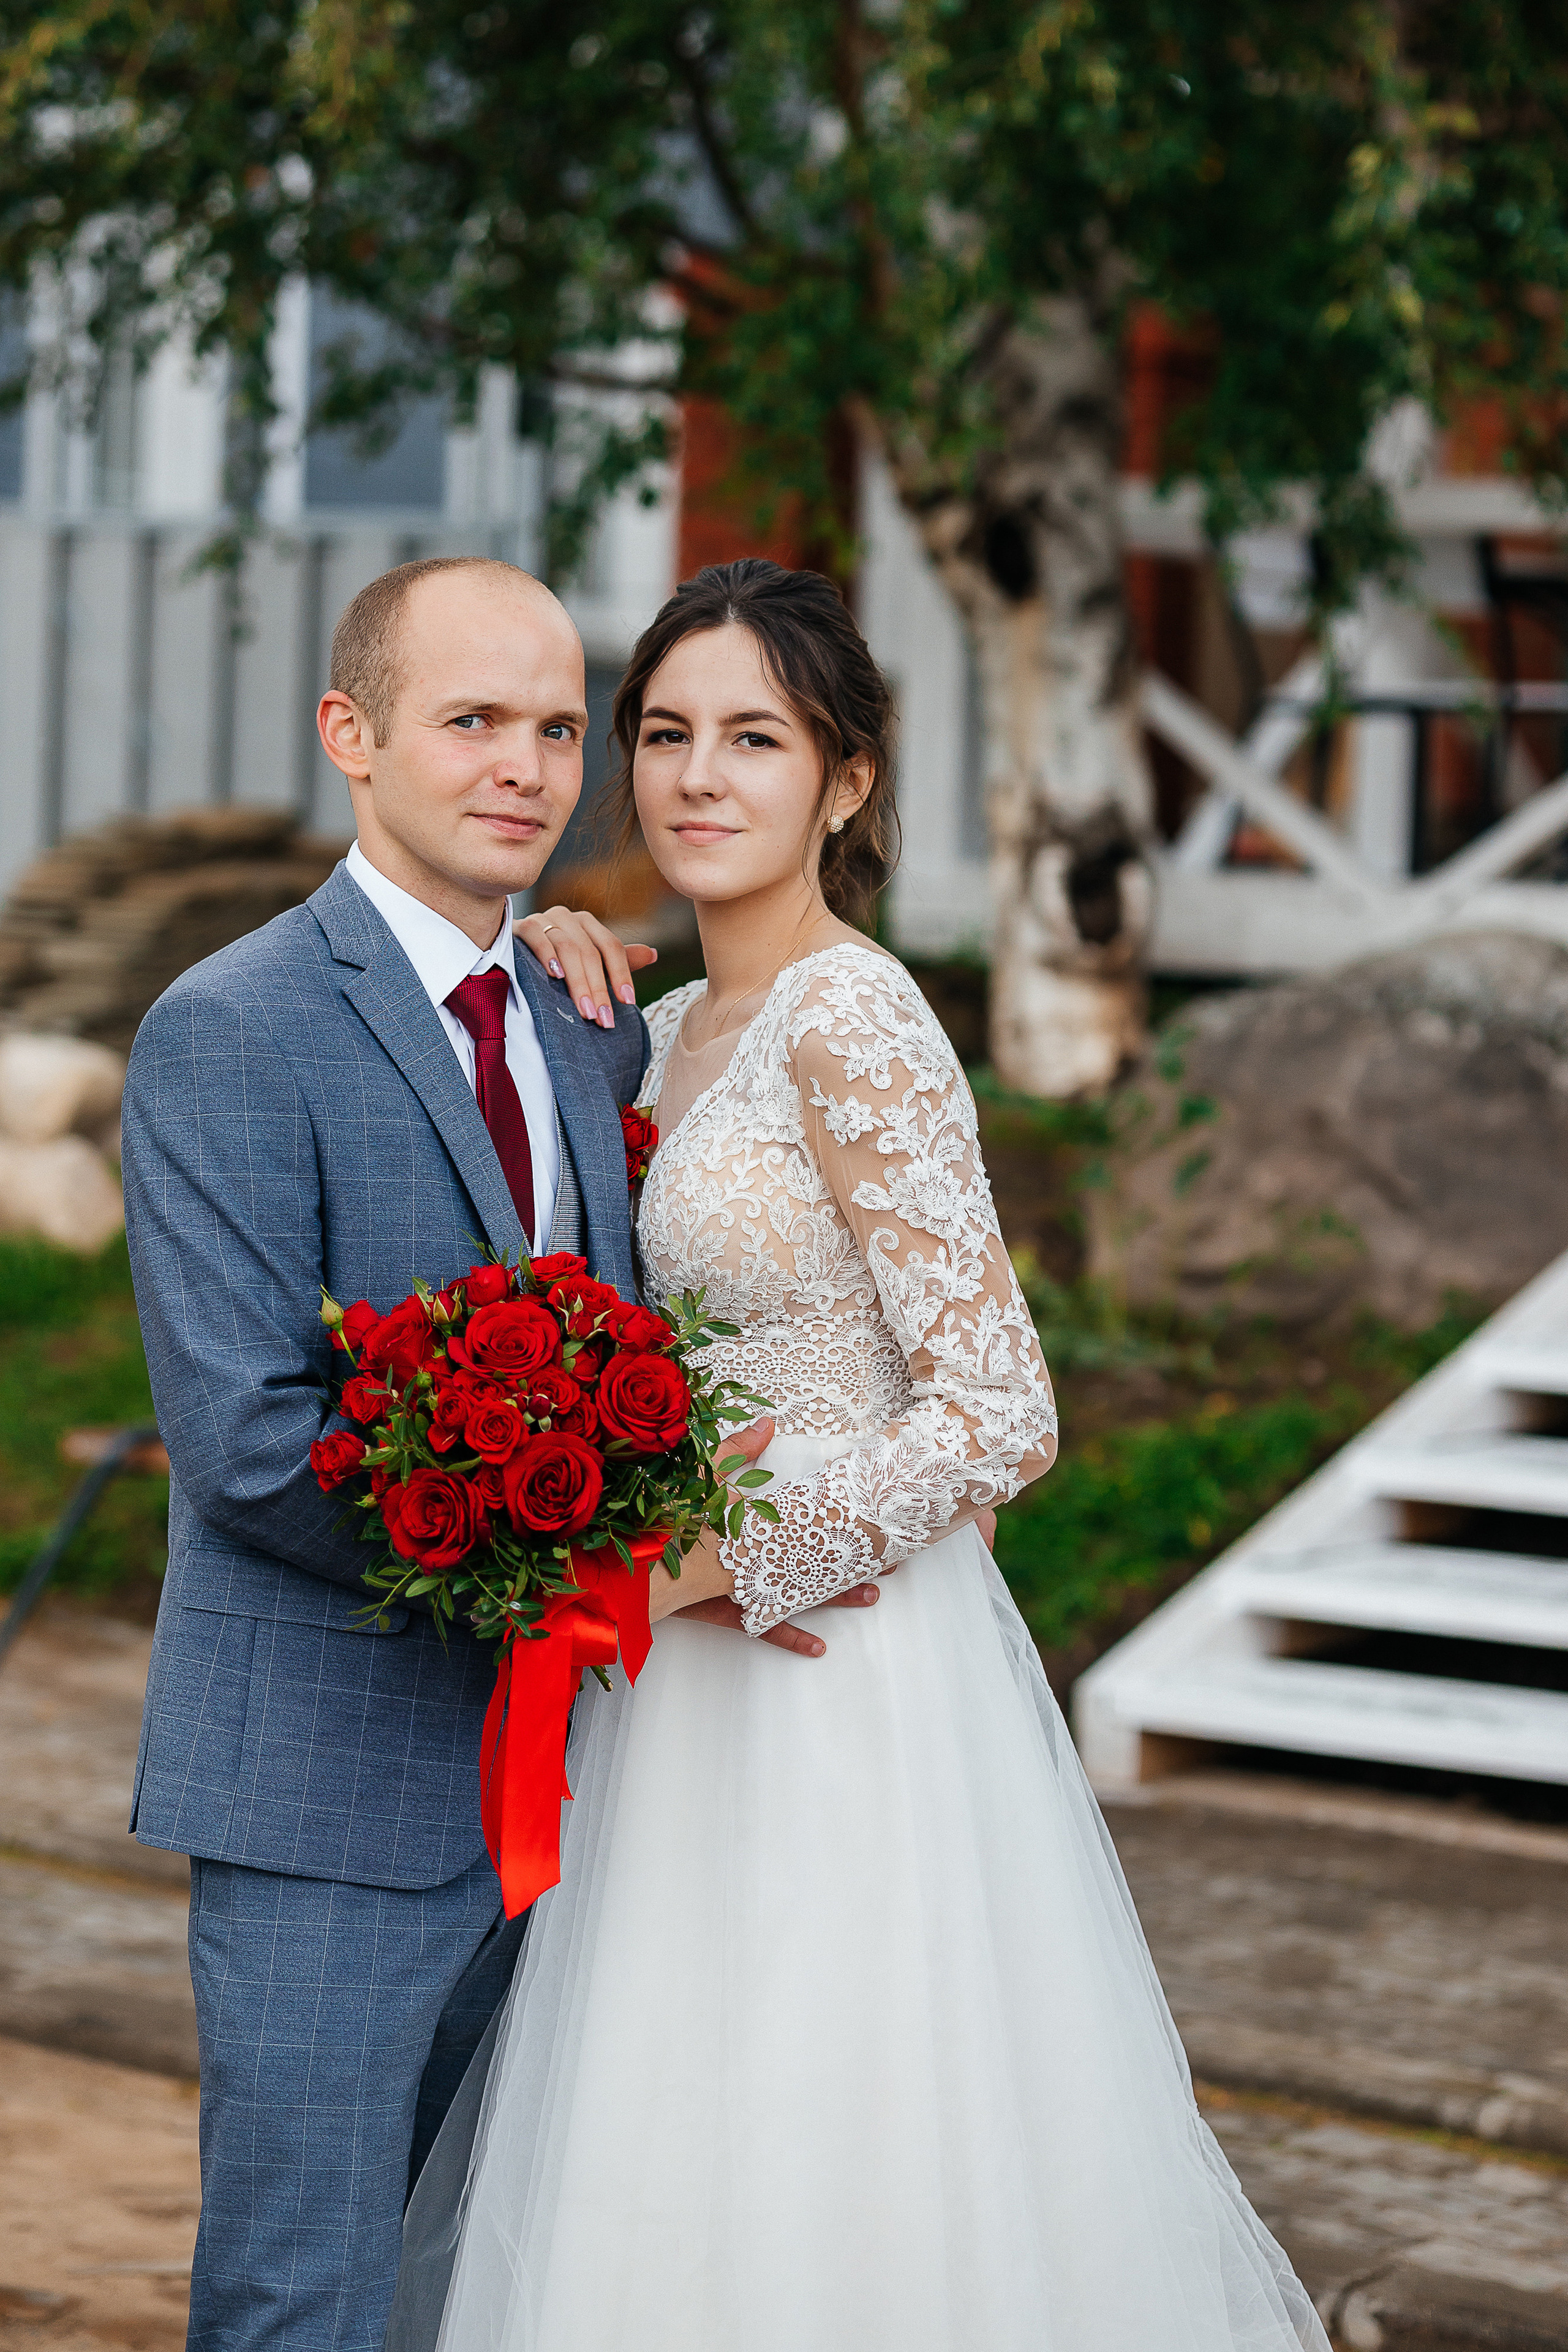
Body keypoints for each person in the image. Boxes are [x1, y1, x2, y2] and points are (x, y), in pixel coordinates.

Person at [393, 559, 1331, 2352]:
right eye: (663, 734)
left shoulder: (860, 1017)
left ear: (847, 780)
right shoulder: (662, 1029)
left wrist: (714, 1561)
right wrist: (563, 951)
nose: (696, 778)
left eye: (755, 737)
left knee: (847, 2137)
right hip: (672, 1691)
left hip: (841, 1682)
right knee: (668, 2138)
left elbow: (1000, 1412)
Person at [120, 556, 881, 2352]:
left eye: (556, 727)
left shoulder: (584, 1011)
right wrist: (588, 1573)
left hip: (594, 1802)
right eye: (473, 721)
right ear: (352, 737)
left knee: (492, 2291)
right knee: (300, 2295)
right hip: (332, 1786)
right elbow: (245, 1445)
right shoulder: (229, 1030)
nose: (527, 767)